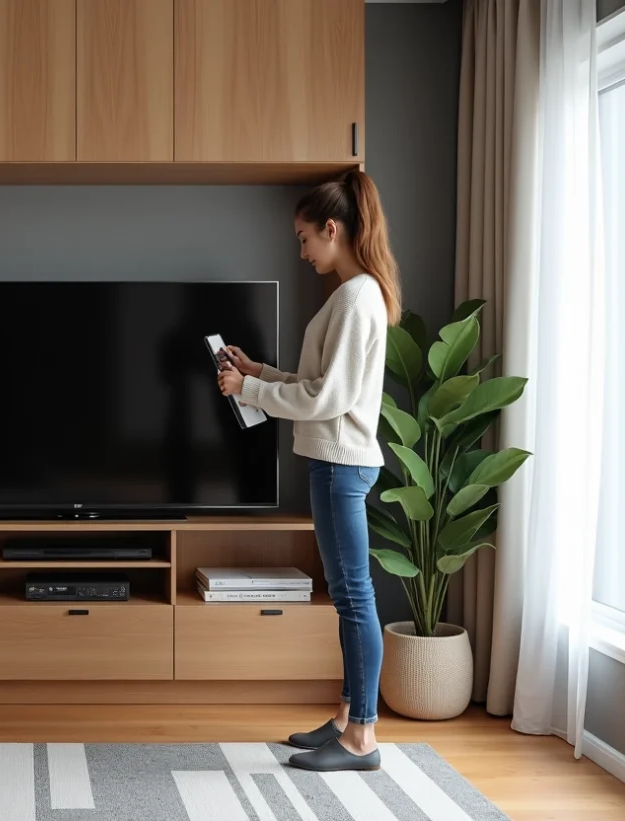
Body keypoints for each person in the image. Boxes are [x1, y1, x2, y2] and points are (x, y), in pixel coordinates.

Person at [216, 169, 399, 773]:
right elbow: (320, 385)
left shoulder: (354, 297)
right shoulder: (352, 295)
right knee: (350, 597)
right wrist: (261, 372)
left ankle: (362, 740)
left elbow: (328, 401)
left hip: (340, 463)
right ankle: (349, 715)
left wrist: (250, 391)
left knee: (353, 598)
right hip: (332, 460)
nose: (301, 251)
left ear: (332, 228)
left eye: (304, 238)